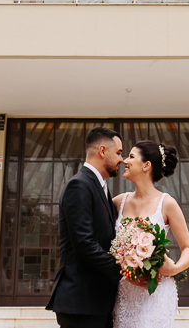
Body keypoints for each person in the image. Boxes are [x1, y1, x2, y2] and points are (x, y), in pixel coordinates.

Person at [111, 140, 189, 328]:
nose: (125, 161)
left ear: (146, 165)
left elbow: (188, 249)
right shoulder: (118, 202)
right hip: (125, 290)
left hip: (156, 291)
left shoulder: (167, 203)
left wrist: (173, 269)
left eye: (131, 156)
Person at [47, 127, 124, 328]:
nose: (122, 160)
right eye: (118, 153)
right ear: (102, 151)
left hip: (97, 302)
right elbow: (84, 244)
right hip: (81, 303)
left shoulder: (100, 187)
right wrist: (124, 271)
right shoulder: (79, 185)